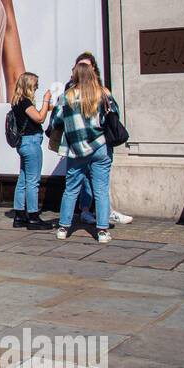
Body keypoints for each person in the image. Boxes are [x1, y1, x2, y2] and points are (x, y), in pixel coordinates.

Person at [49, 61, 117, 243]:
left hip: (77, 149)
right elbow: (114, 113)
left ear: (76, 76)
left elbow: (55, 121)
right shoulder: (102, 93)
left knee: (71, 189)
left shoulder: (67, 97)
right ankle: (102, 231)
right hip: (100, 146)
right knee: (101, 189)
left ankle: (63, 227)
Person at [70, 51, 133, 226]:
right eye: (80, 66)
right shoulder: (71, 90)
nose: (83, 69)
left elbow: (113, 114)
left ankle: (104, 214)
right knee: (85, 180)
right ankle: (88, 212)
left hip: (99, 142)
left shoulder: (101, 90)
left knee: (98, 182)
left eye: (87, 66)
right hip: (82, 143)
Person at [9, 71, 53, 229]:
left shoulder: (17, 101)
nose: (36, 88)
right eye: (35, 85)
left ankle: (19, 216)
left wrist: (47, 106)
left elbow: (33, 115)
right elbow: (39, 118)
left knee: (23, 180)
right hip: (31, 143)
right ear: (28, 85)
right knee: (33, 182)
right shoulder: (25, 102)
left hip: (23, 144)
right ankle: (33, 217)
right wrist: (46, 100)